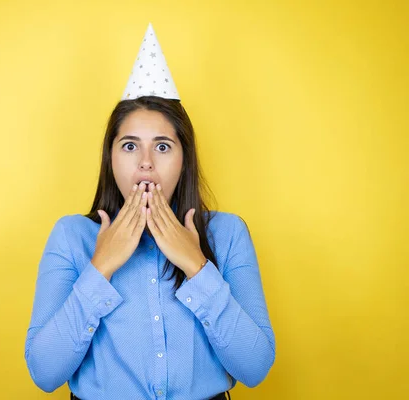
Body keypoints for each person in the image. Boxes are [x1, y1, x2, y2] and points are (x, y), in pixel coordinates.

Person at [25, 23, 275, 400]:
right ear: (110, 158)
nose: (145, 164)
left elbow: (255, 367)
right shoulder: (71, 236)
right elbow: (44, 373)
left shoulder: (227, 233)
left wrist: (196, 266)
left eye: (162, 147)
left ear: (183, 158)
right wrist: (101, 268)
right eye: (129, 146)